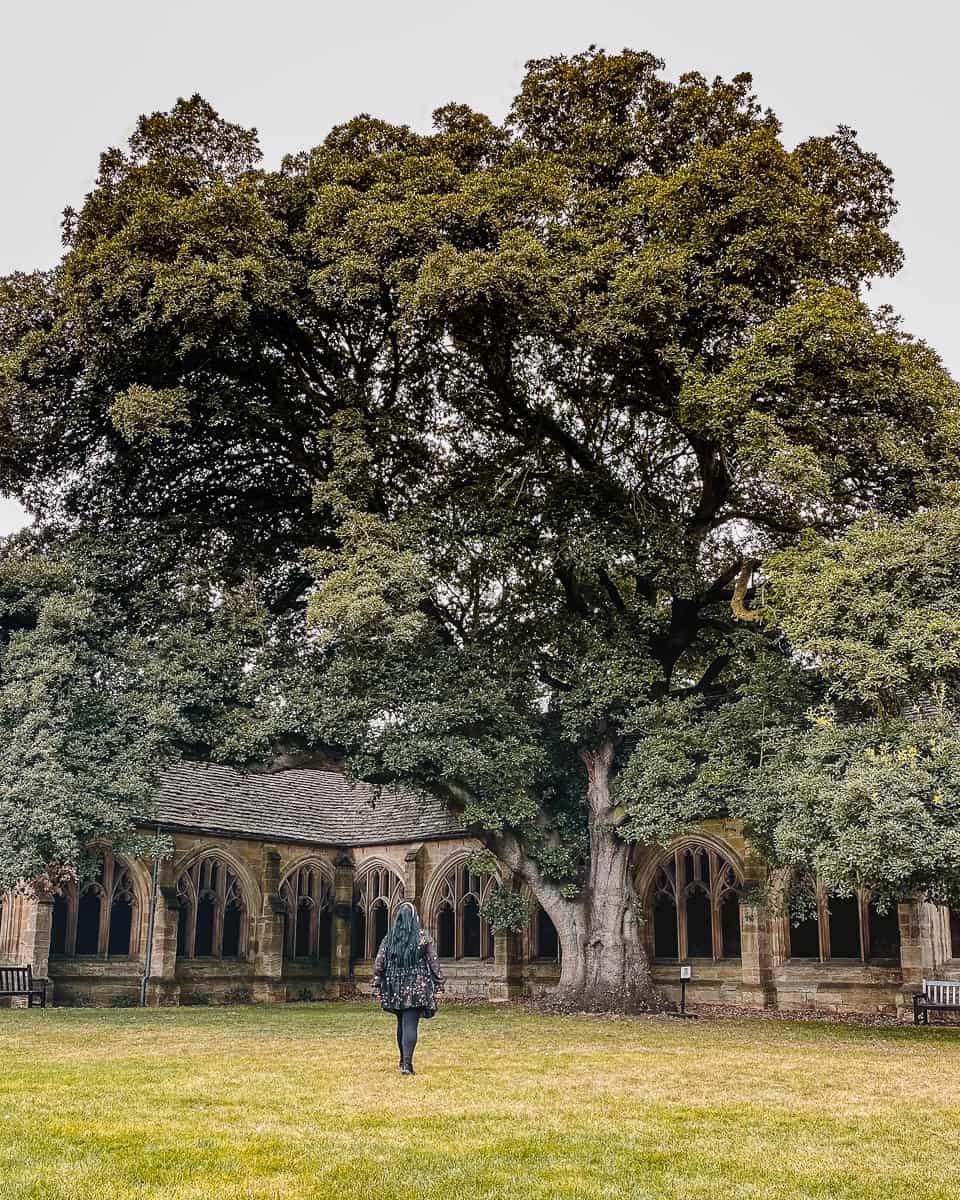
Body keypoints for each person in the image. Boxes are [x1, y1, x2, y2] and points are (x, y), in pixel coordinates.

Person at [371, 901, 444, 1075]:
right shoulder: (422, 937)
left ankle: (403, 1060)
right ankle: (407, 1064)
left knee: (401, 1023)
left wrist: (377, 983)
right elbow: (433, 962)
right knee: (410, 1023)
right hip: (416, 986)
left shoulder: (389, 939)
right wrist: (439, 983)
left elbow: (379, 963)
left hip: (394, 986)